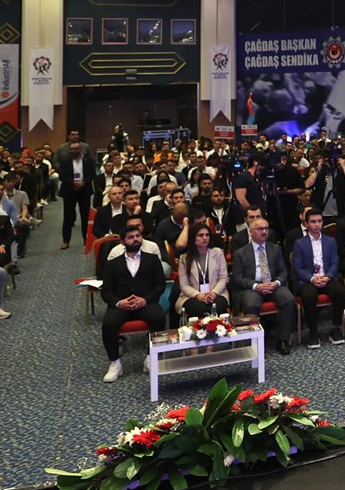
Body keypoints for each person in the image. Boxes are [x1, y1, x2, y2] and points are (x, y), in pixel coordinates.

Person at [99, 224, 166, 383]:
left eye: (138, 236)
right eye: (131, 237)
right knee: (108, 323)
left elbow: (160, 285)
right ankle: (115, 364)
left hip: (145, 302)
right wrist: (119, 302)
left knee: (159, 317)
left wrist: (145, 300)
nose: (136, 239)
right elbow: (106, 291)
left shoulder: (152, 259)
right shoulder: (112, 264)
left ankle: (151, 358)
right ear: (123, 242)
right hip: (122, 304)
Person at [230, 217, 299, 353]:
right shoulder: (240, 253)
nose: (264, 232)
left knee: (289, 299)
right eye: (260, 229)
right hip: (252, 287)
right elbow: (237, 278)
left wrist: (276, 283)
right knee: (251, 303)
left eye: (266, 229)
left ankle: (283, 339)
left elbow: (284, 271)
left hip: (273, 285)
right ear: (251, 232)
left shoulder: (275, 248)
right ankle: (256, 342)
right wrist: (256, 286)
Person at [288, 208, 345, 347]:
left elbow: (335, 262)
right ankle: (313, 332)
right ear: (306, 223)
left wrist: (328, 276)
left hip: (326, 277)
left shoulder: (330, 241)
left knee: (340, 292)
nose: (317, 224)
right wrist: (312, 278)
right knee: (309, 295)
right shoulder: (299, 243)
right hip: (308, 280)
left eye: (319, 221)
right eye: (313, 222)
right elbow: (297, 268)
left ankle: (335, 328)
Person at [175, 221, 230, 318]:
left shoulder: (218, 253)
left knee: (218, 305)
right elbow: (184, 285)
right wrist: (197, 295)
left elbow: (223, 277)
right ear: (193, 237)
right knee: (199, 308)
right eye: (200, 235)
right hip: (192, 295)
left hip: (216, 293)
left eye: (207, 235)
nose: (205, 238)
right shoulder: (184, 258)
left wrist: (214, 292)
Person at [54, 140, 99, 250]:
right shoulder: (65, 161)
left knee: (85, 216)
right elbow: (62, 176)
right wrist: (73, 183)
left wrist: (83, 182)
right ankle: (66, 240)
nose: (72, 151)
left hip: (84, 189)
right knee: (67, 217)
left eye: (75, 149)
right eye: (71, 149)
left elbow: (93, 174)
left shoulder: (88, 160)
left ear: (80, 149)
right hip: (69, 190)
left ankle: (86, 240)